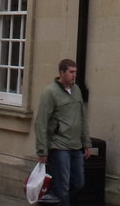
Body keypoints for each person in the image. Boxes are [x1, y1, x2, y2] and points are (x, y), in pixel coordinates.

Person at [34, 58, 92, 206]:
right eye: (71, 72)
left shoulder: (77, 90)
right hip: (59, 146)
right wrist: (42, 151)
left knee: (78, 182)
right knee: (62, 185)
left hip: (76, 146)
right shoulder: (50, 93)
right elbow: (41, 122)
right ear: (62, 73)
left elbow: (82, 118)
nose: (74, 75)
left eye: (76, 72)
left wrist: (86, 143)